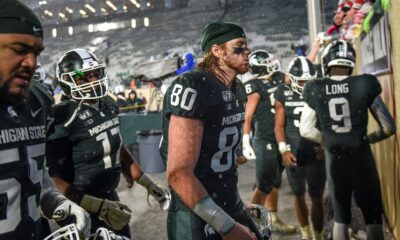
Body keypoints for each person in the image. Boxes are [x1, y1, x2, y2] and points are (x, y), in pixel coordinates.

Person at [45, 48, 171, 238]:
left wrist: (147, 183)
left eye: (96, 74)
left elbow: (118, 148)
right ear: (67, 81)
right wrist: (95, 205)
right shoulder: (63, 116)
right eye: (84, 77)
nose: (94, 80)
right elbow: (53, 177)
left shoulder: (108, 104)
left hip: (108, 195)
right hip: (79, 202)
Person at [160, 21, 262, 240]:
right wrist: (227, 226)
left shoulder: (237, 88)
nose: (247, 51)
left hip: (224, 202)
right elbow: (179, 174)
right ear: (217, 51)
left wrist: (236, 203)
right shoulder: (193, 85)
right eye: (239, 46)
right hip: (194, 215)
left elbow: (221, 167)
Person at [0, 1, 91, 239]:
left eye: (36, 52)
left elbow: (30, 178)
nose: (32, 63)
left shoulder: (34, 99)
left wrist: (55, 201)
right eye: (19, 49)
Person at [299, 40, 396, 240]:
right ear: (350, 60)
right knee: (372, 216)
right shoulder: (364, 84)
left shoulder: (316, 87)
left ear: (327, 61)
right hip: (361, 156)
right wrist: (367, 139)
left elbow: (306, 129)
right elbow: (388, 127)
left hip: (335, 158)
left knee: (340, 216)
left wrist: (328, 140)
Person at [242, 50, 295, 233]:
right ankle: (251, 224)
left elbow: (297, 76)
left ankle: (273, 217)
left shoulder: (279, 77)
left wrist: (315, 49)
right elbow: (247, 117)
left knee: (275, 182)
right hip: (264, 138)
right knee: (264, 183)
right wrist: (245, 142)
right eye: (269, 60)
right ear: (262, 64)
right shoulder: (254, 85)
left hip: (279, 138)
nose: (273, 62)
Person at [274, 56, 326, 240]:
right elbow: (279, 126)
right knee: (298, 194)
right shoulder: (282, 92)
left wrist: (324, 145)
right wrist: (283, 150)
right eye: (301, 81)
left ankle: (318, 235)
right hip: (293, 151)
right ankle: (306, 234)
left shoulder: (319, 90)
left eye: (308, 81)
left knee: (317, 196)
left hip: (314, 151)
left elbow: (327, 122)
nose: (305, 85)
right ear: (292, 79)